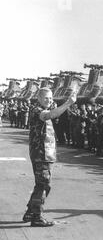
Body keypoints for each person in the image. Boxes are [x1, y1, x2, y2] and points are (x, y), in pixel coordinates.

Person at [23, 88, 77, 227]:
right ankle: (37, 216)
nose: (49, 100)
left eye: (51, 98)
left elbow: (54, 111)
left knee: (41, 184)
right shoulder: (37, 110)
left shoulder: (42, 107)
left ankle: (30, 211)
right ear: (39, 98)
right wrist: (68, 103)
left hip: (45, 153)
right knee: (44, 184)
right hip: (41, 154)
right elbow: (51, 115)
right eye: (46, 98)